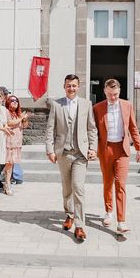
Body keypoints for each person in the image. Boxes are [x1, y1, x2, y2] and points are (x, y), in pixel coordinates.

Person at [45, 74, 98, 242]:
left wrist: (93, 148)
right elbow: (49, 129)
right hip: (63, 152)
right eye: (68, 85)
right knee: (67, 187)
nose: (71, 88)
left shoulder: (86, 104)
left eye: (74, 85)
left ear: (78, 86)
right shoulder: (56, 104)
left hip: (80, 153)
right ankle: (69, 215)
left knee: (78, 187)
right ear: (64, 86)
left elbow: (92, 128)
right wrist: (50, 150)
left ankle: (80, 226)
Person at [93, 79, 140, 234]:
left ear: (119, 92)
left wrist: (139, 148)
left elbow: (133, 127)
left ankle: (121, 221)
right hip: (106, 149)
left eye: (115, 94)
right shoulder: (97, 108)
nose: (113, 97)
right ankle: (108, 211)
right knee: (107, 182)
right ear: (105, 92)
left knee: (120, 183)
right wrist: (92, 149)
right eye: (109, 94)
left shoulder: (127, 105)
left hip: (122, 149)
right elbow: (93, 131)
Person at [3, 94, 30, 195]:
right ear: (8, 102)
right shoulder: (6, 112)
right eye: (12, 100)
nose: (15, 102)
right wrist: (20, 118)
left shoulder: (17, 113)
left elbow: (24, 126)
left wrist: (24, 119)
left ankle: (7, 182)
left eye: (16, 101)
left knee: (11, 164)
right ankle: (7, 184)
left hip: (17, 143)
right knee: (9, 164)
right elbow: (9, 123)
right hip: (9, 142)